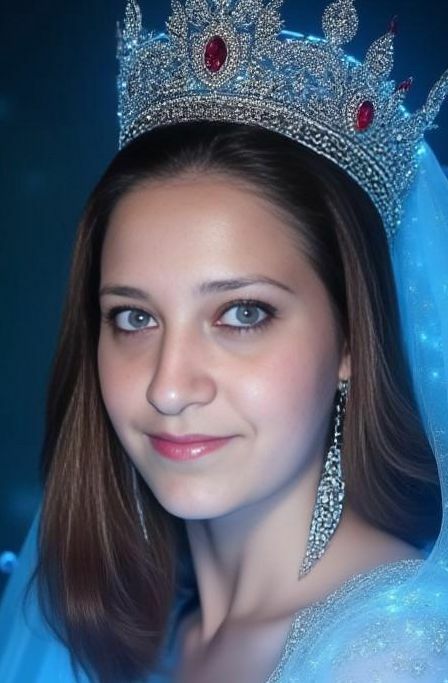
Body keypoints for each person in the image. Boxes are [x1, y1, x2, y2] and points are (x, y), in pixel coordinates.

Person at [1, 1, 448, 682]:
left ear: (352, 342)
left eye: (242, 313)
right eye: (134, 318)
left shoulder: (399, 658)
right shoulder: (125, 628)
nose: (168, 387)